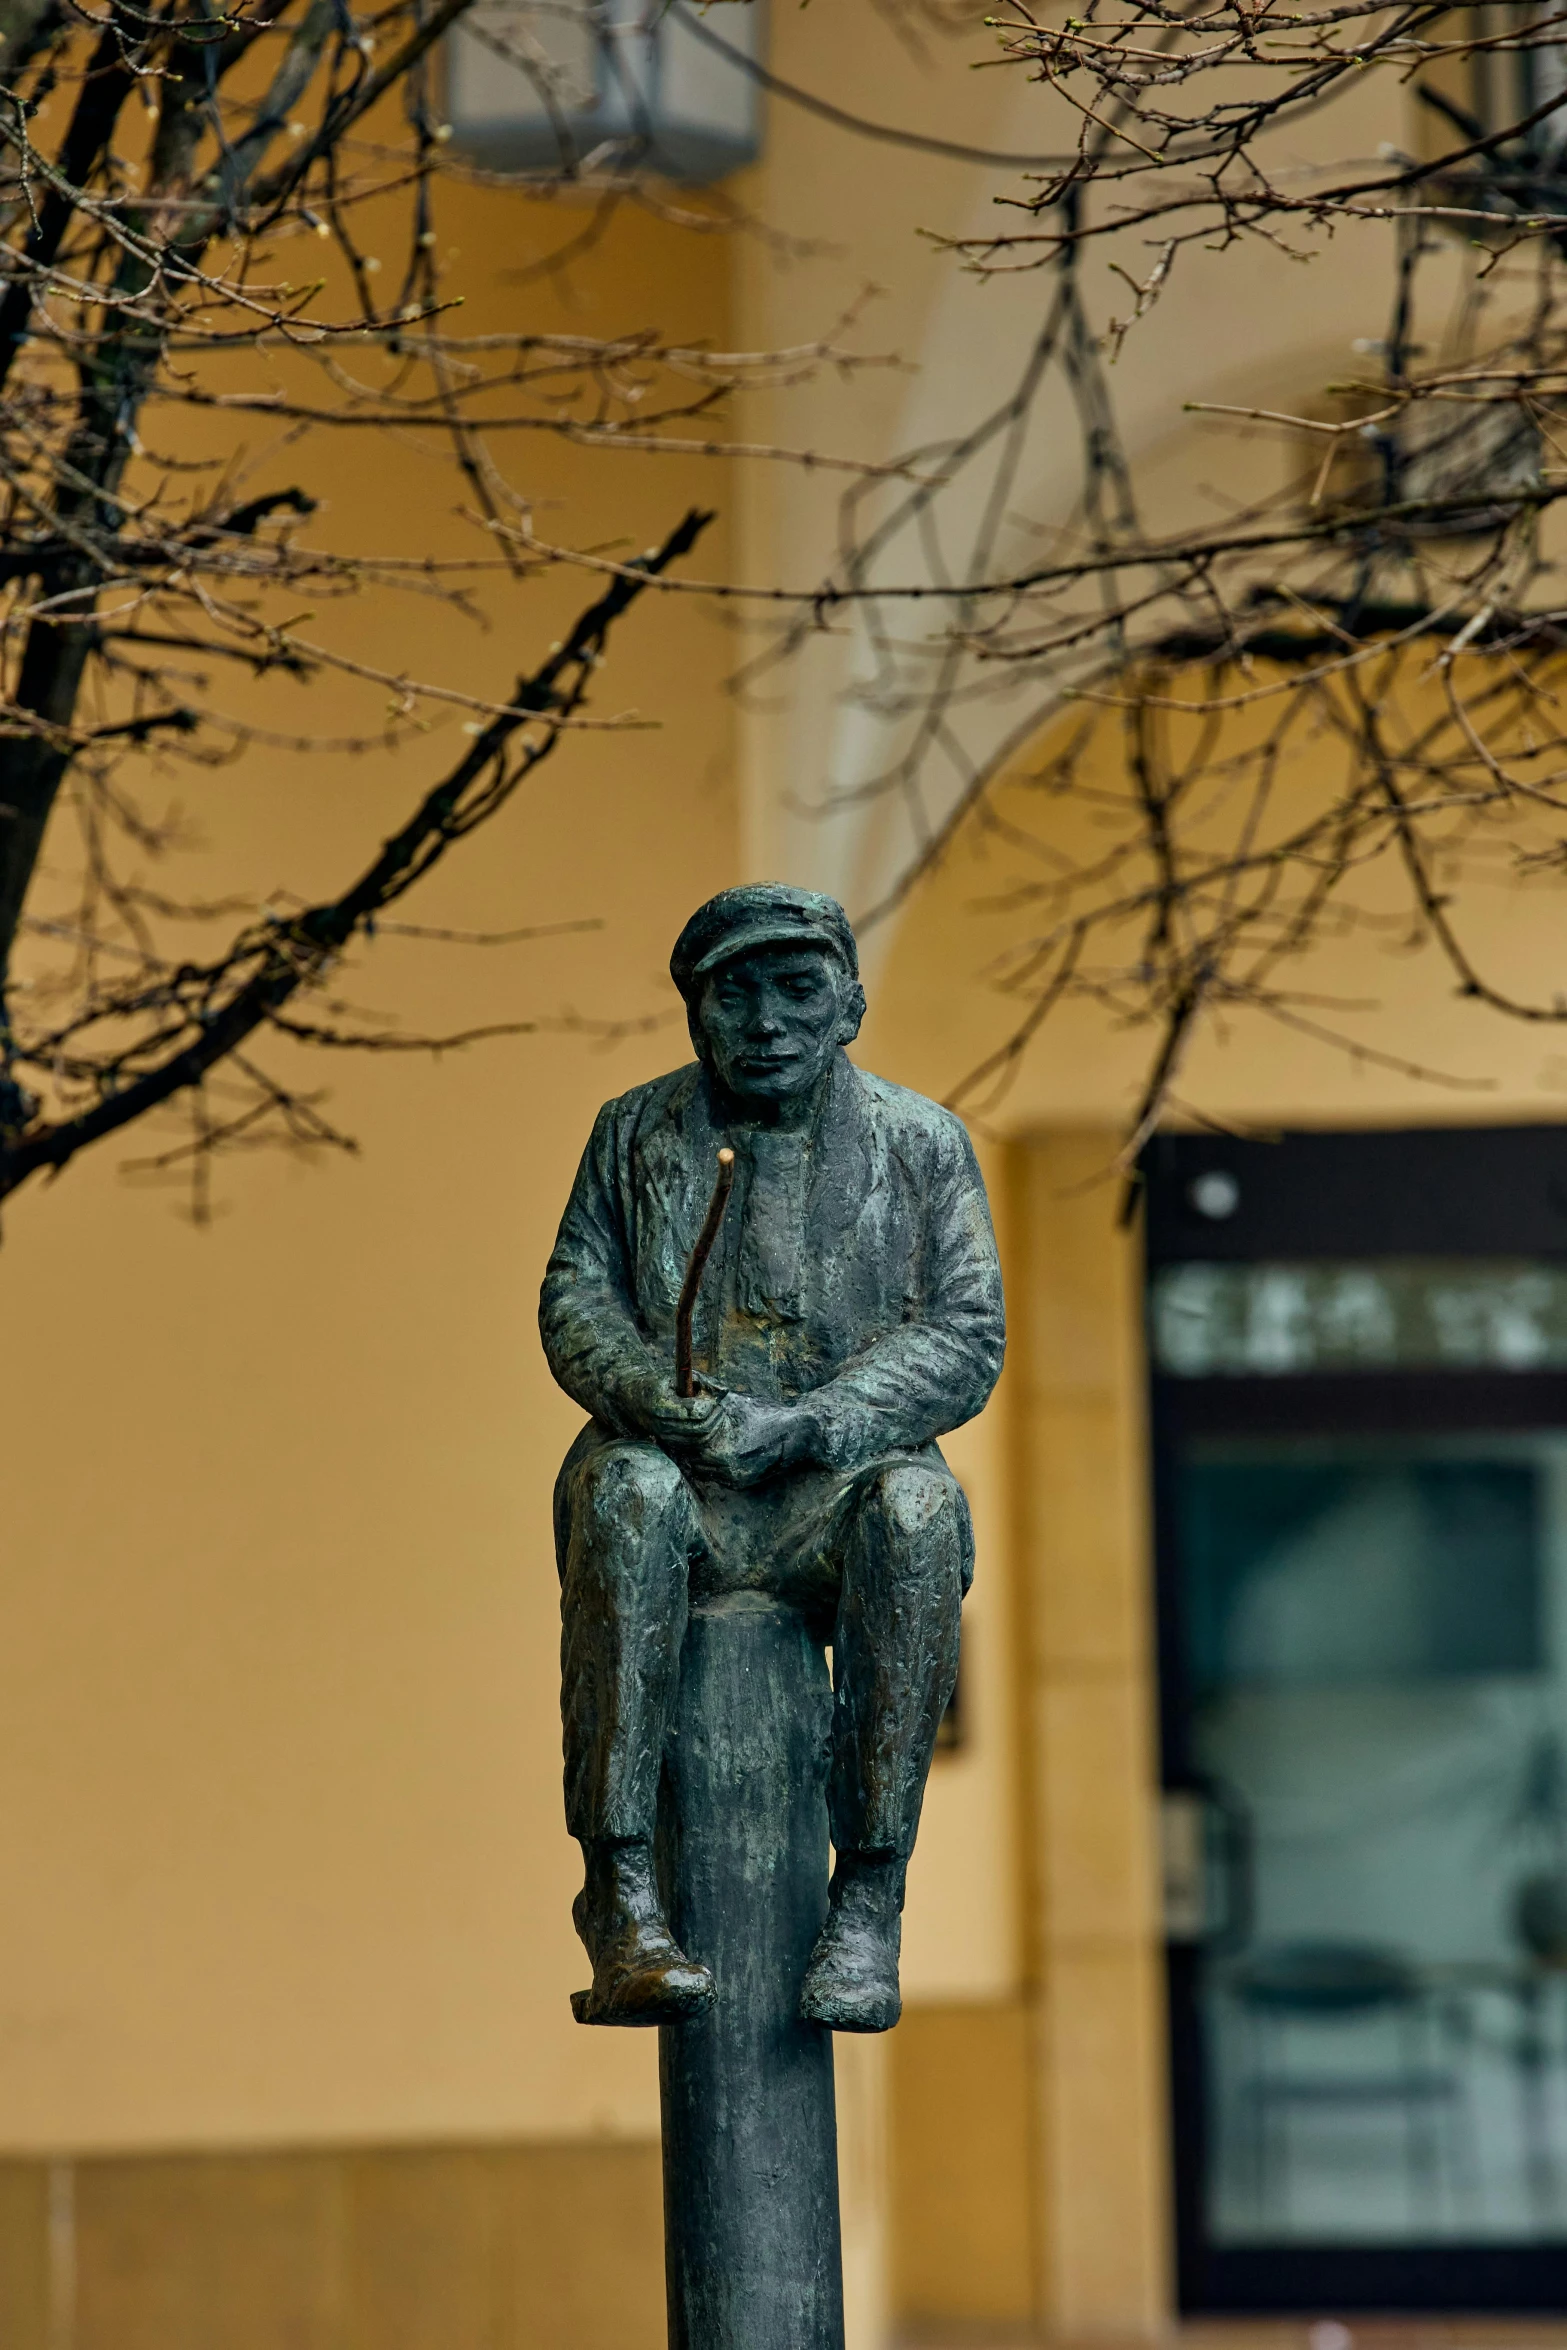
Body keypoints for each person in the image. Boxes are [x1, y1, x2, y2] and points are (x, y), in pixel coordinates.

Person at [540, 884, 1005, 2030]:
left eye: (798, 989)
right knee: (627, 1498)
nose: (766, 1020)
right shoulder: (632, 1132)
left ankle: (871, 1896)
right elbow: (575, 1296)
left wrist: (813, 1422)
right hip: (681, 1478)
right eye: (731, 993)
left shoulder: (920, 1144)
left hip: (830, 1489)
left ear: (850, 1002)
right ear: (694, 1013)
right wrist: (654, 1396)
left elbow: (964, 1330)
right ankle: (621, 1889)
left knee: (917, 1514)